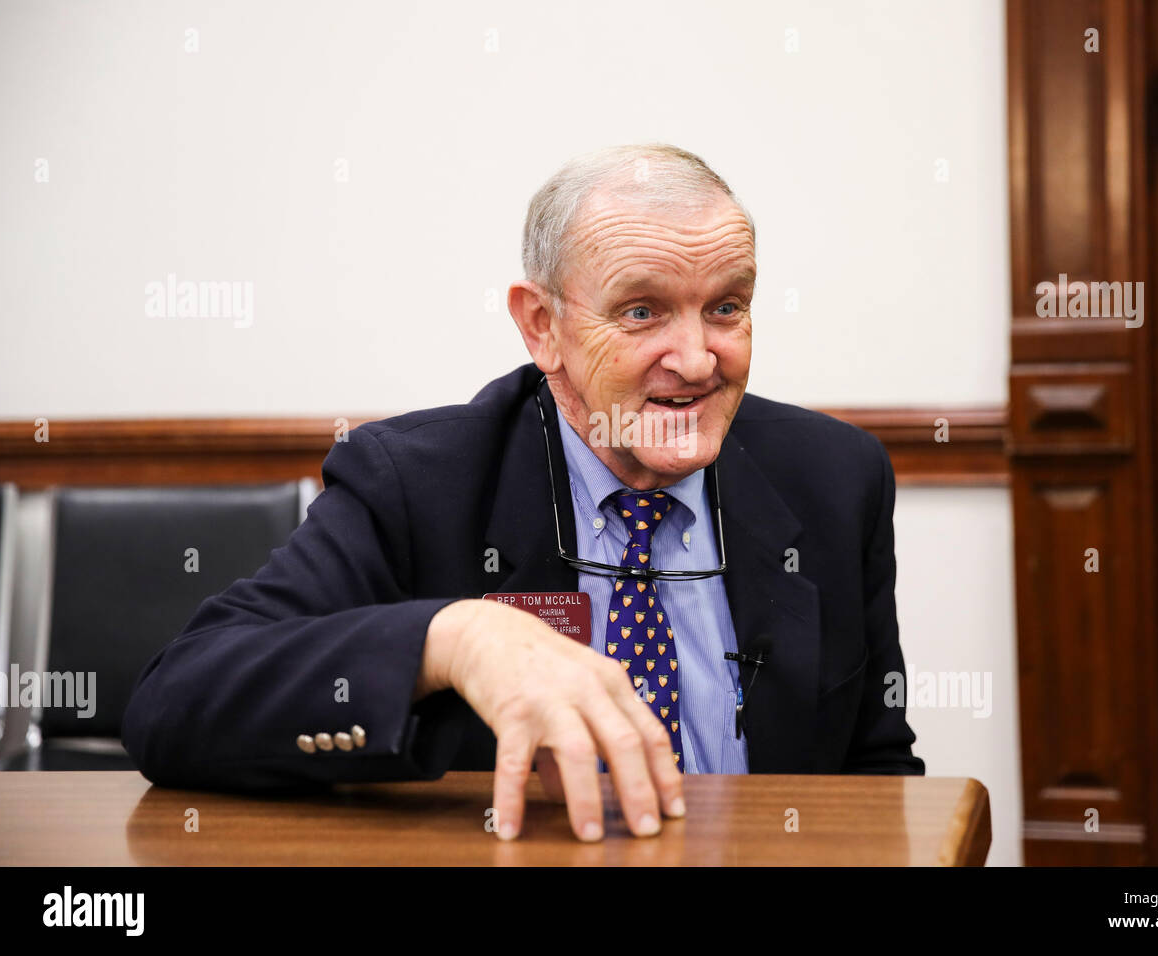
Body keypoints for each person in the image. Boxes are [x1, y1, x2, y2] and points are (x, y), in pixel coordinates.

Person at [122, 143, 924, 844]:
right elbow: (175, 702)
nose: (696, 358)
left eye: (726, 308)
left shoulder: (834, 477)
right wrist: (452, 639)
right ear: (542, 326)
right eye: (641, 311)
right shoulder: (415, 484)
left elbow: (877, 767)